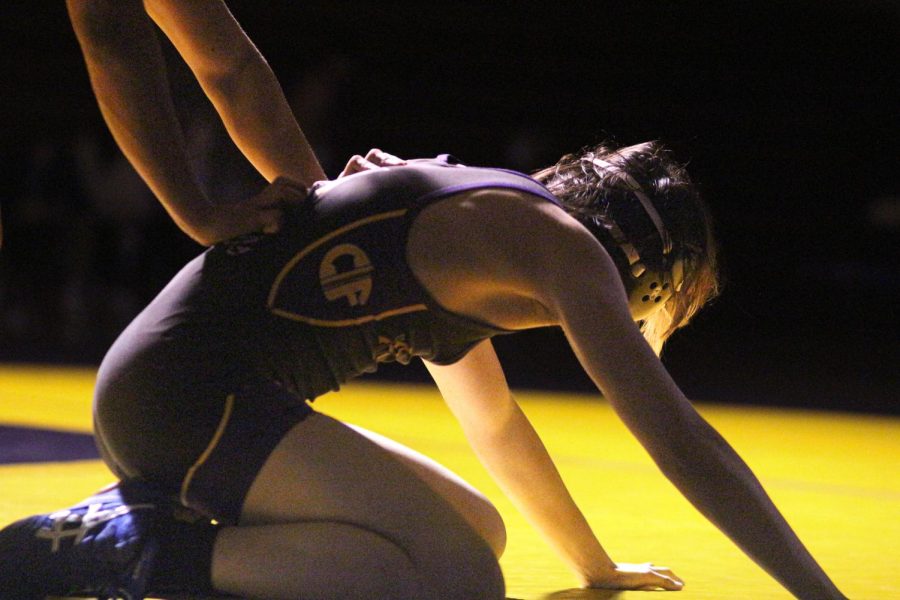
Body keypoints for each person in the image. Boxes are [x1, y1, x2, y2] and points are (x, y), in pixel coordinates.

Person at [0, 2, 849, 599]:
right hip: (181, 403)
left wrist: (594, 566)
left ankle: (161, 519)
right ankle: (138, 549)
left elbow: (498, 427)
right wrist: (818, 593)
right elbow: (676, 437)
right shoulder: (563, 249)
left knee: (478, 532)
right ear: (642, 270)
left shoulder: (482, 237)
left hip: (181, 398)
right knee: (457, 578)